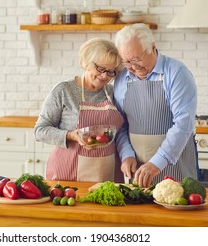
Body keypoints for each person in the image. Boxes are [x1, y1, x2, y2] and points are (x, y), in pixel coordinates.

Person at [113, 23, 199, 188]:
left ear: (153, 47)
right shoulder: (122, 78)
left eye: (137, 59)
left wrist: (157, 163)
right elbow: (120, 124)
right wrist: (126, 154)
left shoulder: (176, 73)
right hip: (138, 171)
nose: (134, 67)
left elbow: (183, 124)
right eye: (127, 62)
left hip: (175, 166)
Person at [34, 38, 125, 183]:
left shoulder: (115, 93)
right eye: (100, 69)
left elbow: (122, 132)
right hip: (67, 173)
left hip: (106, 175)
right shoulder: (64, 90)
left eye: (111, 72)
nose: (104, 76)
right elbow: (39, 131)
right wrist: (71, 135)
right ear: (86, 63)